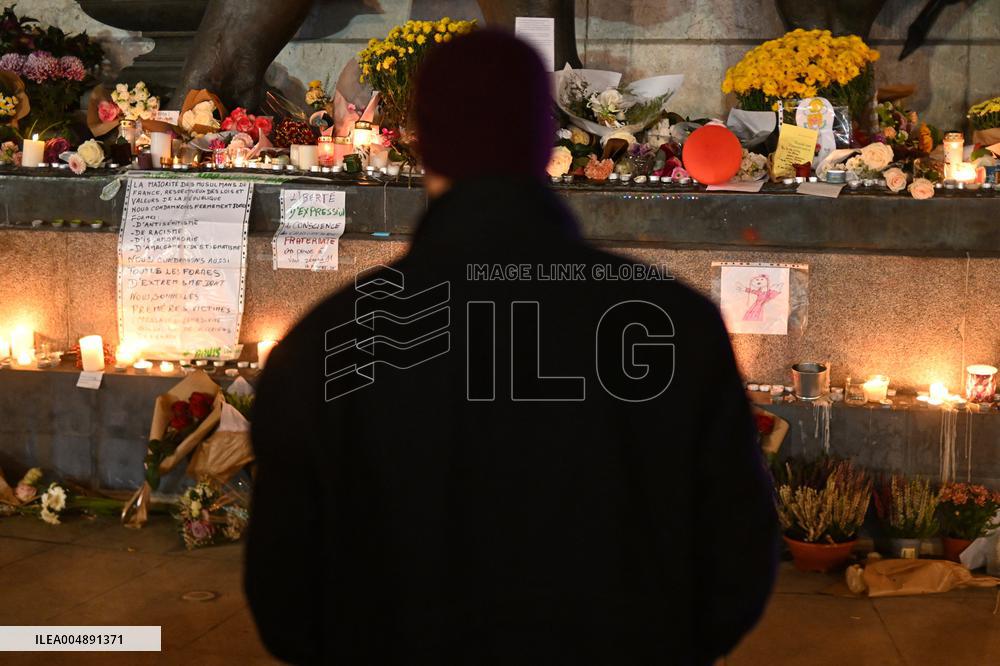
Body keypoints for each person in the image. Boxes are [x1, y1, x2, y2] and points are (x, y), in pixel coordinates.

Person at [246, 29, 777, 665]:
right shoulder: (676, 325)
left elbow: (284, 594)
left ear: (422, 141)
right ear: (542, 140)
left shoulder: (327, 343)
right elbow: (739, 558)